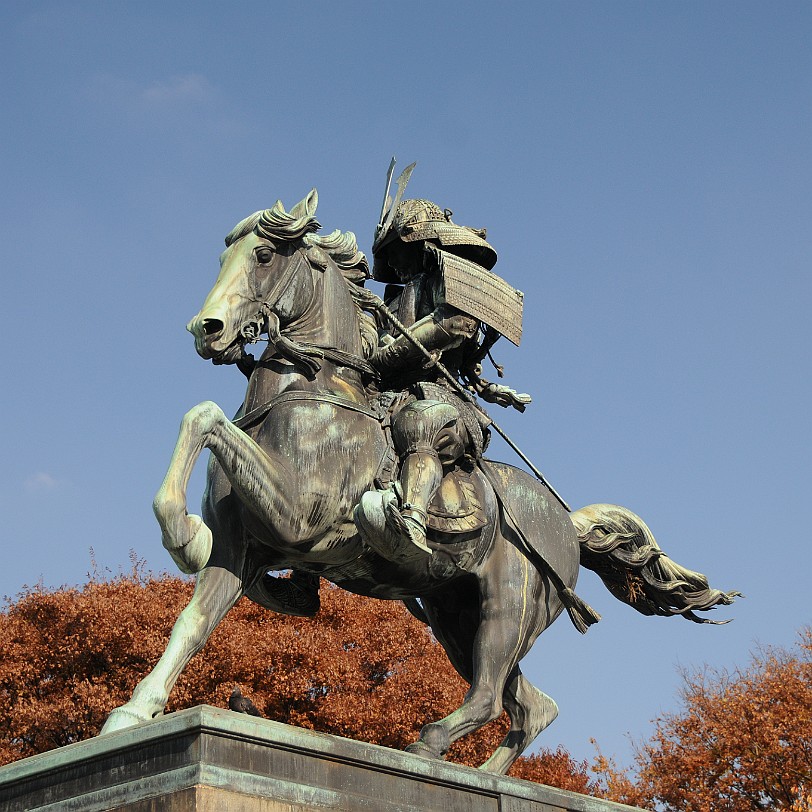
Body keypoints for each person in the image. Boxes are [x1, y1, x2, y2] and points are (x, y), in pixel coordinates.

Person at [355, 198, 528, 563]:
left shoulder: (450, 281)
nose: (394, 263)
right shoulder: (391, 298)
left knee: (422, 423)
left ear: (417, 244)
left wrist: (490, 390)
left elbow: (453, 328)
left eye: (397, 251)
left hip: (442, 398)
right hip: (388, 393)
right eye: (389, 255)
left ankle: (413, 520)